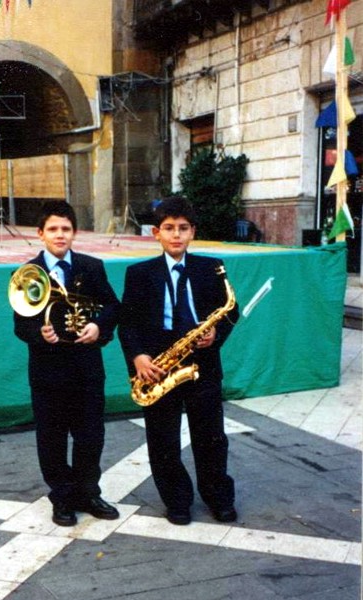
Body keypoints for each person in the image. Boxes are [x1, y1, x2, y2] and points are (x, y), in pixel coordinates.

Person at [118, 196, 239, 526]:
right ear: (156, 232)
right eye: (169, 228)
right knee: (163, 440)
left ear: (193, 232)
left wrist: (216, 334)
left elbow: (231, 310)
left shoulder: (211, 268)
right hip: (158, 366)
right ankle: (177, 501)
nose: (176, 235)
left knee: (212, 437)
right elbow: (127, 322)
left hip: (203, 364)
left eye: (183, 228)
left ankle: (218, 497)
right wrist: (138, 357)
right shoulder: (138, 273)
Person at [13, 201, 120, 527]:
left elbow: (112, 306)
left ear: (74, 233)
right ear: (40, 234)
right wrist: (39, 333)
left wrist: (98, 326)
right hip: (48, 371)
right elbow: (21, 324)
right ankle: (61, 496)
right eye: (53, 229)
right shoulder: (27, 274)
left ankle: (88, 493)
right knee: (52, 436)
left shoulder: (92, 266)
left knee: (91, 434)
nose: (60, 235)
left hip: (87, 367)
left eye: (66, 229)